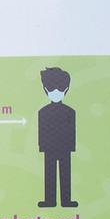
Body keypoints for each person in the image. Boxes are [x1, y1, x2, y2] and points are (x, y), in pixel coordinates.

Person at [36, 66, 77, 208]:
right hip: (49, 149)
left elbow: (72, 131)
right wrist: (42, 146)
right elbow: (42, 131)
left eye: (59, 90)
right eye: (52, 89)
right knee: (50, 175)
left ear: (65, 90)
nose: (56, 93)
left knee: (66, 174)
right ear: (46, 90)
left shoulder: (70, 112)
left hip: (65, 149)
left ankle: (66, 201)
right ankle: (50, 200)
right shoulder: (43, 112)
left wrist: (72, 147)